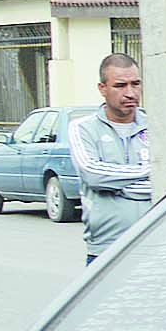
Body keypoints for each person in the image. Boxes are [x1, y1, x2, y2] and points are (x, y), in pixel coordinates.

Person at [66, 54, 151, 261]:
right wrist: (148, 171)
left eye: (135, 84)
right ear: (102, 88)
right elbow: (92, 175)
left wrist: (116, 184)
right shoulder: (83, 128)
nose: (130, 93)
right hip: (105, 251)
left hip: (154, 245)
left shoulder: (157, 126)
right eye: (120, 86)